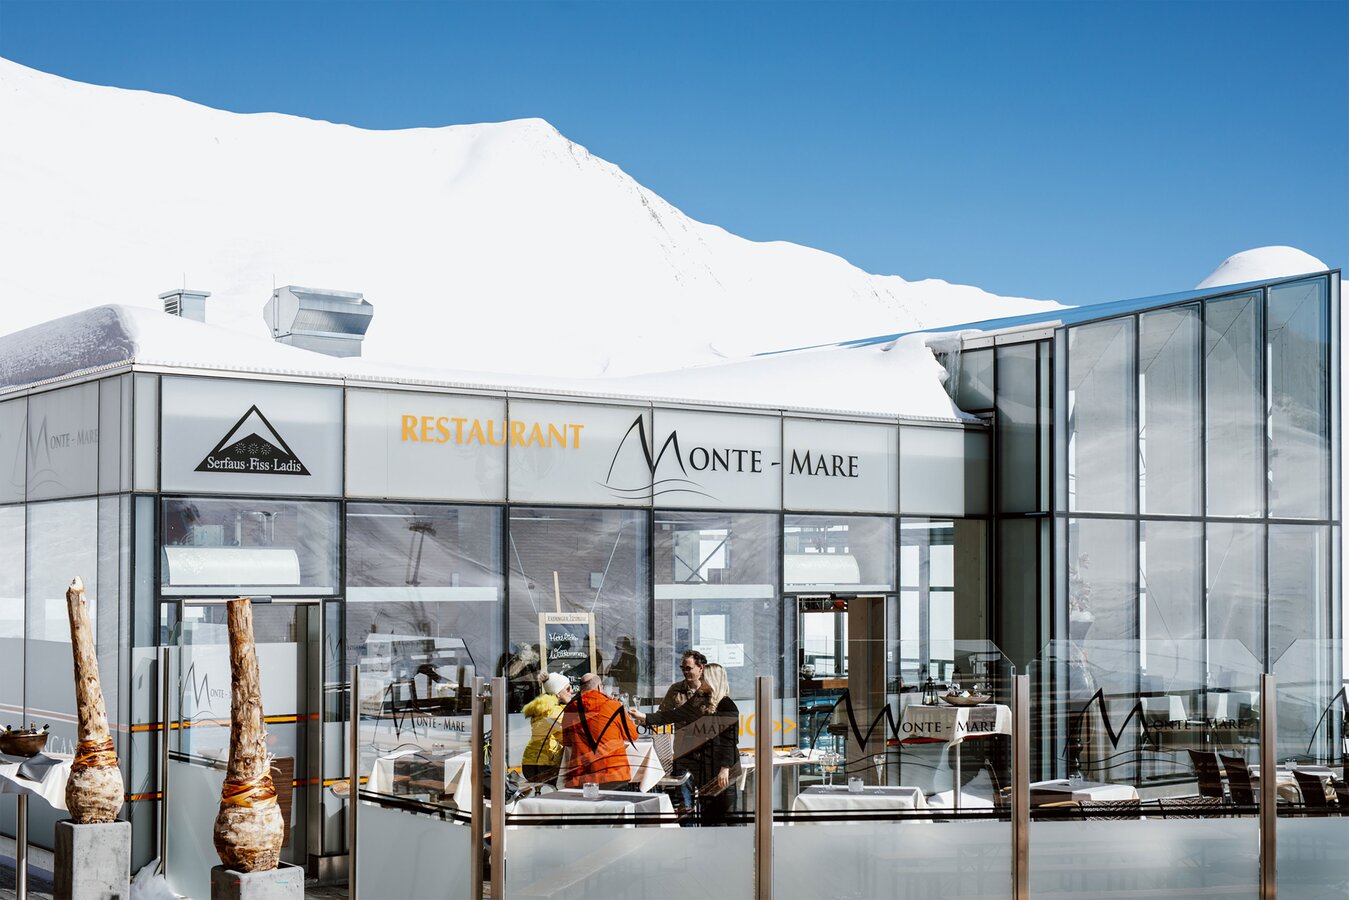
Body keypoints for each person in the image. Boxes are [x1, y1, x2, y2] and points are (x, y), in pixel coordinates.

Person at [630, 663, 741, 826]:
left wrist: (725, 769)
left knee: (727, 814)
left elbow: (730, 741)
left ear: (713, 680)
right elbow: (675, 715)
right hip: (706, 767)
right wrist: (645, 718)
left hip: (724, 768)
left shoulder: (727, 705)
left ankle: (734, 841)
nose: (700, 681)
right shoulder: (700, 700)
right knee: (708, 816)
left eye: (704, 678)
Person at [559, 671, 637, 790]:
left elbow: (567, 742)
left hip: (581, 776)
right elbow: (633, 735)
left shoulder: (569, 709)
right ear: (600, 687)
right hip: (613, 773)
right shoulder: (613, 706)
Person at [651, 649, 707, 810]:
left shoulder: (710, 689)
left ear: (701, 668)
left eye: (688, 668)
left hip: (706, 752)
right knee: (685, 803)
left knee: (707, 801)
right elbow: (663, 714)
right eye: (683, 668)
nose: (685, 672)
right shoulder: (676, 689)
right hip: (683, 751)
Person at [520, 672, 572, 784]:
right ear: (558, 693)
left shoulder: (545, 708)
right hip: (543, 765)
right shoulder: (552, 712)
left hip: (532, 762)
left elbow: (560, 736)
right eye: (568, 689)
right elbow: (574, 726)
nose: (571, 691)